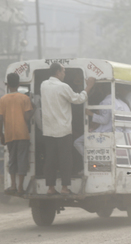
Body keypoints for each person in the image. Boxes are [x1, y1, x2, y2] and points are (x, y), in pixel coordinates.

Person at [41, 63, 95, 196]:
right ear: (58, 72)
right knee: (65, 160)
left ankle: (51, 188)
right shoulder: (63, 87)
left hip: (48, 130)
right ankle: (65, 187)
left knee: (50, 160)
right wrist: (88, 86)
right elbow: (78, 99)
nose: (64, 74)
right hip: (63, 130)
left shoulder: (43, 85)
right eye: (63, 71)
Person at [0, 73, 33, 196]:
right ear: (19, 84)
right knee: (22, 160)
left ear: (7, 84)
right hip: (22, 134)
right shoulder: (24, 98)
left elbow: (0, 119)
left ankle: (13, 185)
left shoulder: (3, 99)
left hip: (9, 134)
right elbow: (27, 117)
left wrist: (1, 134)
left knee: (12, 159)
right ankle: (21, 187)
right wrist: (33, 110)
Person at [74, 84, 131, 156]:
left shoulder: (107, 101)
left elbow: (104, 120)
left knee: (77, 142)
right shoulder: (122, 102)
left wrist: (90, 113)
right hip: (121, 133)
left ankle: (89, 158)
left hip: (106, 132)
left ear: (103, 91)